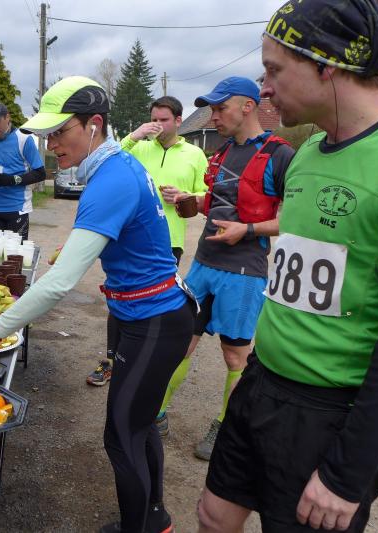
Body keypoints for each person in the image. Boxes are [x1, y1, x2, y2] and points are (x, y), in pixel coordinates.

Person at [197, 1, 378, 532]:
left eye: (275, 70)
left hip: (330, 410)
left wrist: (349, 472)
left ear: (327, 64)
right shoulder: (306, 153)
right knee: (213, 516)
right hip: (262, 379)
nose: (264, 88)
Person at [0, 77, 194, 533]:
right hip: (147, 313)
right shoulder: (114, 166)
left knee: (122, 435)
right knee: (138, 425)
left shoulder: (110, 180)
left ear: (94, 125)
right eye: (47, 135)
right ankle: (154, 520)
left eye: (61, 132)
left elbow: (60, 284)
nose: (51, 145)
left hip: (154, 319)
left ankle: (140, 528)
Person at [158, 76, 295, 458]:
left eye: (220, 108)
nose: (213, 117)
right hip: (203, 265)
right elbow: (219, 201)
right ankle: (156, 414)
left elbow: (296, 219)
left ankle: (225, 426)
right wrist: (192, 200)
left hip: (244, 273)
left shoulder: (280, 154)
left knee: (235, 356)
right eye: (212, 110)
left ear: (248, 106)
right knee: (180, 342)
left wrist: (247, 230)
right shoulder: (221, 151)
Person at [86, 96, 208, 392]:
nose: (157, 125)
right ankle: (111, 360)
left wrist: (185, 196)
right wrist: (134, 135)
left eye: (164, 119)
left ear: (178, 121)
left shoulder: (195, 154)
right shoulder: (139, 146)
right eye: (153, 119)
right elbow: (105, 157)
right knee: (117, 296)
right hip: (126, 237)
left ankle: (136, 359)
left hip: (169, 242)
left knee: (150, 305)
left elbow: (206, 196)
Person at [0, 101, 46, 240]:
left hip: (17, 208)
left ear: (7, 117)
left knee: (16, 252)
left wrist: (11, 180)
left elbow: (40, 173)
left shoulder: (24, 139)